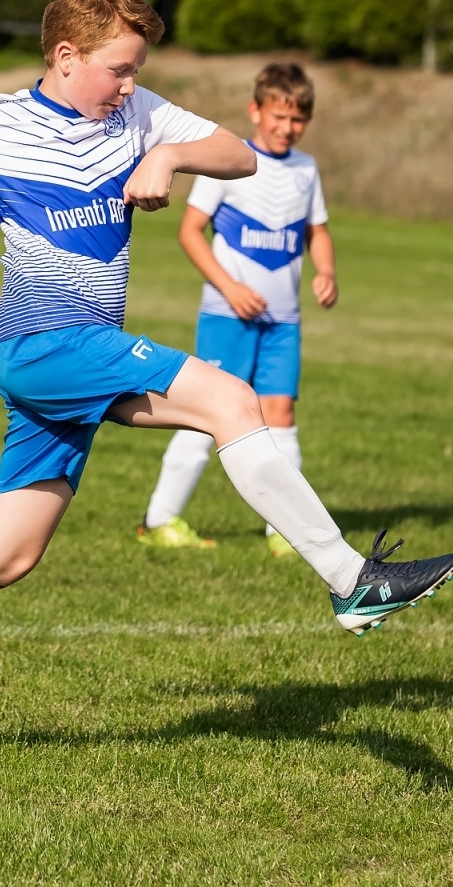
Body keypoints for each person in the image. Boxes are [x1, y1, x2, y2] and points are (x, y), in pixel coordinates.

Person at [0, 0, 453, 749]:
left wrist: (171, 155)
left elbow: (241, 158)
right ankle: (353, 580)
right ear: (67, 56)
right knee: (230, 402)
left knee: (7, 554)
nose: (129, 83)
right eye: (119, 68)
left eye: (137, 70)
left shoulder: (138, 115)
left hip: (72, 358)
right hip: (43, 343)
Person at [136, 62, 335, 558]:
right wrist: (230, 288)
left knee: (281, 414)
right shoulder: (230, 163)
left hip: (283, 323)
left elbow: (317, 231)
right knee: (208, 414)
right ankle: (159, 518)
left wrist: (325, 271)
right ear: (256, 110)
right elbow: (189, 231)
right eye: (279, 116)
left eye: (297, 120)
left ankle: (286, 531)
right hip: (227, 318)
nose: (287, 128)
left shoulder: (306, 170)